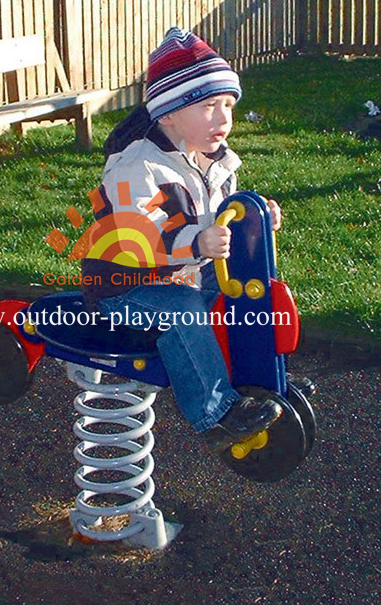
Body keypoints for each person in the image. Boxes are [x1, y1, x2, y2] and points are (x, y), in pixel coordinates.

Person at [81, 28, 284, 451]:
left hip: (182, 272)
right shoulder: (135, 164)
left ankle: (261, 377)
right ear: (169, 113)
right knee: (186, 311)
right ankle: (214, 414)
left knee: (248, 290)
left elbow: (222, 213)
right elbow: (133, 236)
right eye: (209, 106)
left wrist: (254, 214)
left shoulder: (212, 156)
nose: (223, 119)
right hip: (125, 287)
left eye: (228, 105)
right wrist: (196, 244)